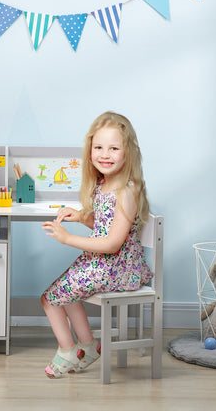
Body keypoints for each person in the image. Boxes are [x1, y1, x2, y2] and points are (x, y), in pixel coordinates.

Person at [41, 111, 152, 379]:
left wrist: (67, 238)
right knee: (64, 293)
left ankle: (68, 350)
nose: (105, 154)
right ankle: (89, 346)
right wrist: (81, 216)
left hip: (117, 267)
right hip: (105, 262)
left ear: (128, 153)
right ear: (90, 151)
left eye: (114, 148)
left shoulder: (126, 191)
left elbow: (113, 244)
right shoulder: (103, 185)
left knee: (49, 299)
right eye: (99, 147)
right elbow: (105, 226)